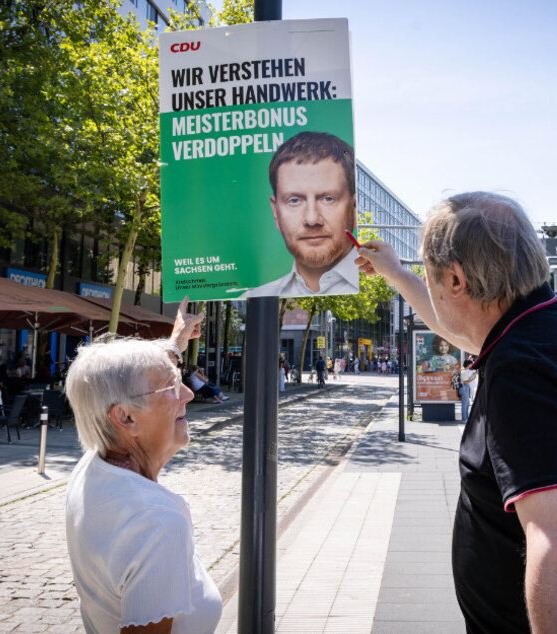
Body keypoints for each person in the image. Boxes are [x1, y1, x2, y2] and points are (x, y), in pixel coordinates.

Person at [356, 191, 557, 633]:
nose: (433, 285)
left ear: (456, 280)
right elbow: (459, 327)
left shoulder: (524, 370)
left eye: (431, 274)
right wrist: (399, 273)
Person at [64, 299, 222, 633]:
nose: (187, 395)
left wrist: (175, 345)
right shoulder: (156, 526)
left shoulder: (94, 463)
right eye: (171, 386)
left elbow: (132, 382)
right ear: (125, 417)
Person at [242, 132, 359, 298]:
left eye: (328, 198)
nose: (312, 219)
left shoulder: (388, 276)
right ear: (276, 212)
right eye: (294, 200)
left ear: (354, 209)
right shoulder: (256, 295)